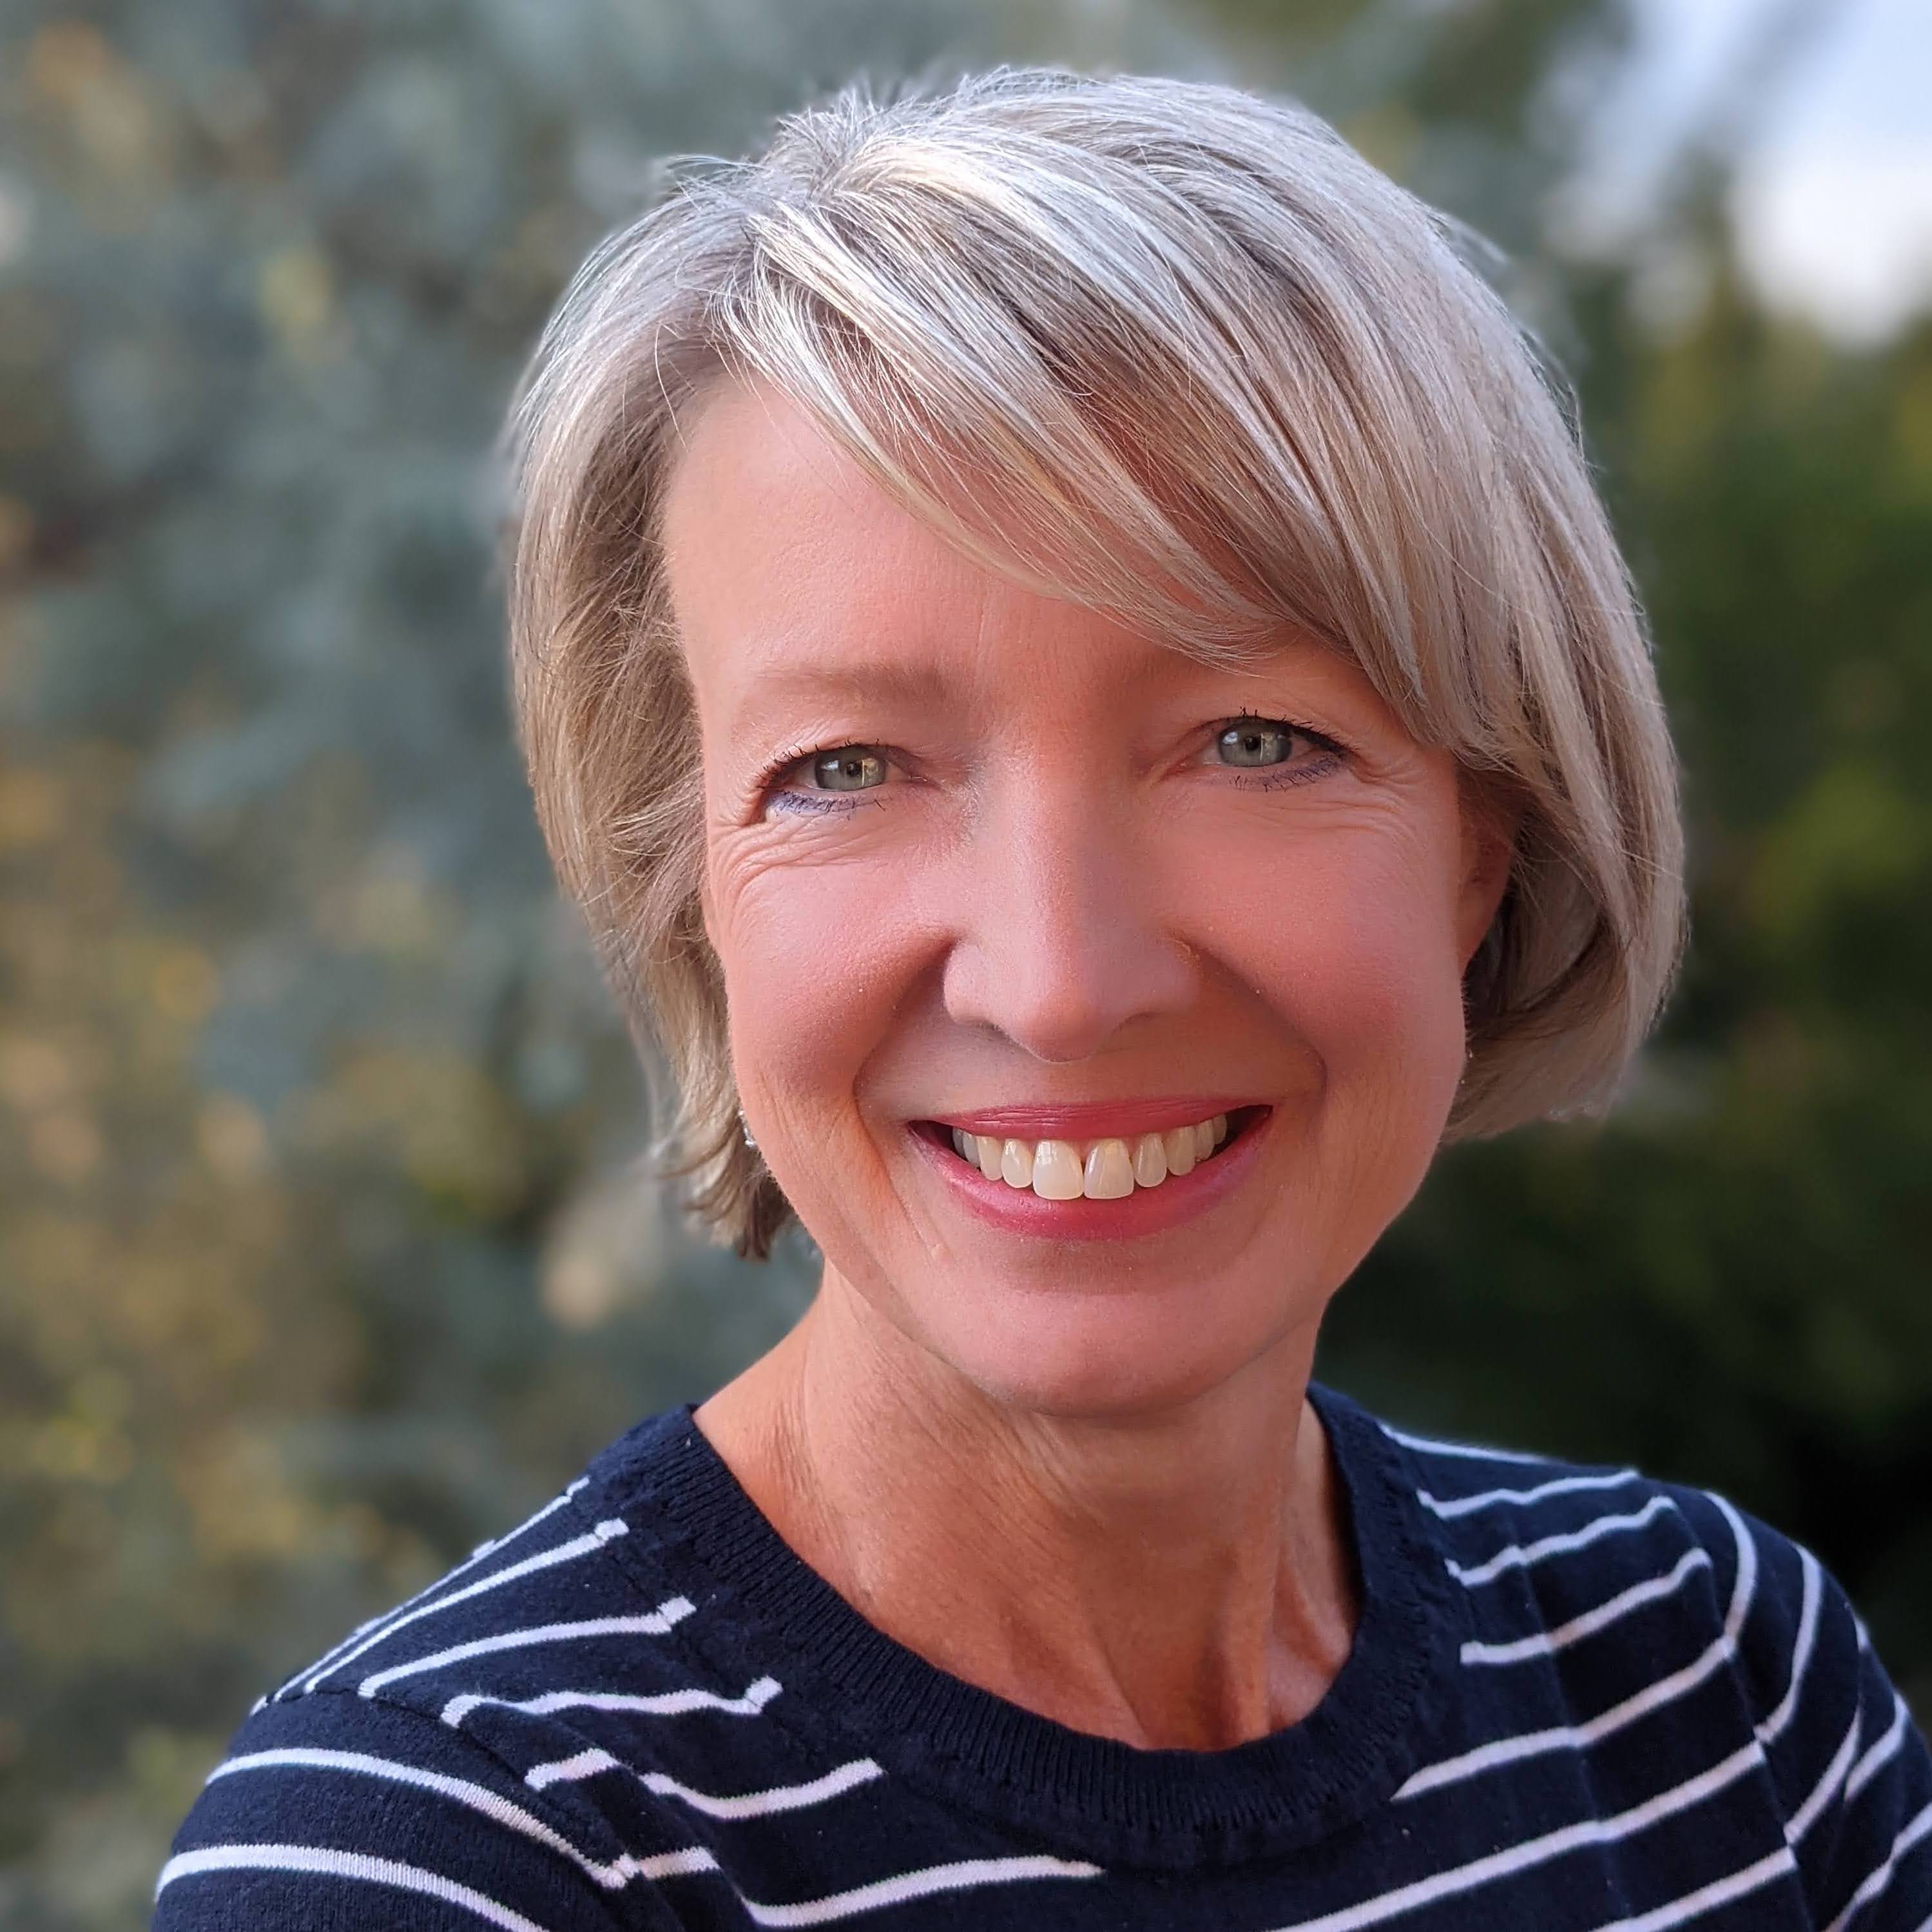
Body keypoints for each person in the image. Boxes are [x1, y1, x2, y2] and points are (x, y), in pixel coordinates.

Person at [154, 64, 1932, 1931]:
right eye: (846, 768)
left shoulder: (1714, 1688)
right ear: (688, 884)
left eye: (1254, 741)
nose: (1063, 984)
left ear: (1483, 844)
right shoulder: (455, 1856)